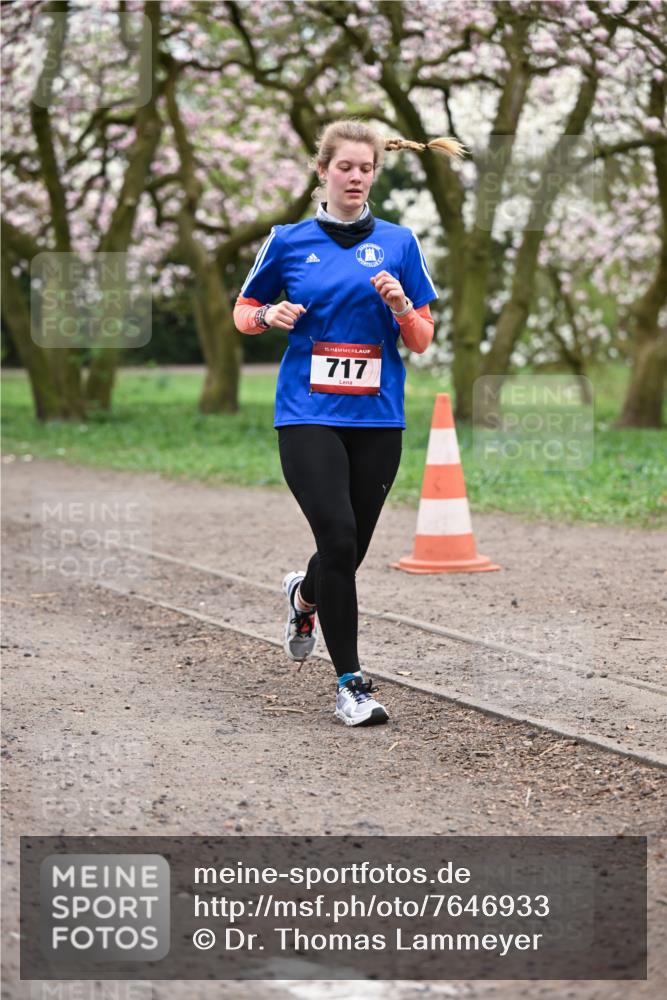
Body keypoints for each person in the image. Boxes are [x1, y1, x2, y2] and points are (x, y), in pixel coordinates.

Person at [233, 120, 464, 727]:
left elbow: (421, 338)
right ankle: (351, 683)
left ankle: (303, 596)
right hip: (308, 413)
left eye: (365, 169)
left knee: (348, 551)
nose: (356, 177)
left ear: (374, 174)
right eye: (345, 167)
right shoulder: (287, 240)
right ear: (323, 171)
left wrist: (400, 306)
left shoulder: (399, 242)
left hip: (378, 417)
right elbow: (243, 311)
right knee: (336, 537)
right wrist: (270, 316)